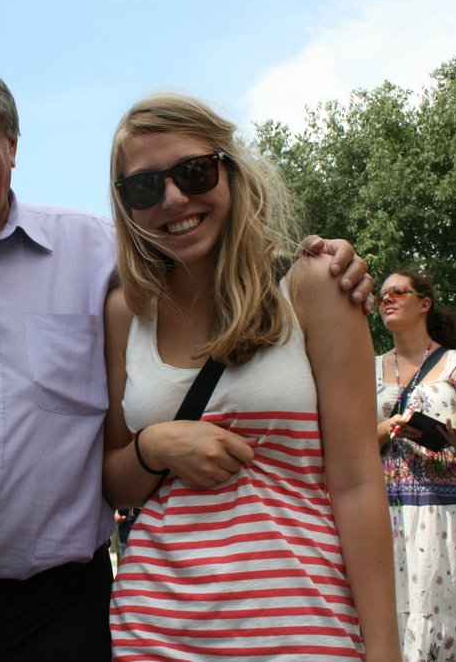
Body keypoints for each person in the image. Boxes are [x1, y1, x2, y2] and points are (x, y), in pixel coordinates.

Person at [0, 57, 376, 662]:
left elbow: (217, 253)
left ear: (11, 143)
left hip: (68, 610)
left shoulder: (100, 251)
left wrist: (328, 259)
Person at [101, 93, 399, 660]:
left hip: (303, 627)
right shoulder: (126, 312)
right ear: (126, 206)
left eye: (195, 172)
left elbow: (358, 482)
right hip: (154, 631)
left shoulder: (313, 285)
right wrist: (154, 446)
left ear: (232, 172)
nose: (173, 199)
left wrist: (385, 650)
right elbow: (116, 483)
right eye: (144, 187)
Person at [374, 269, 456, 660]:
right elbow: (351, 442)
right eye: (382, 295)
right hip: (387, 515)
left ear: (424, 303)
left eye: (398, 292)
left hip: (452, 518)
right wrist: (390, 427)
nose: (386, 299)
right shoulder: (367, 367)